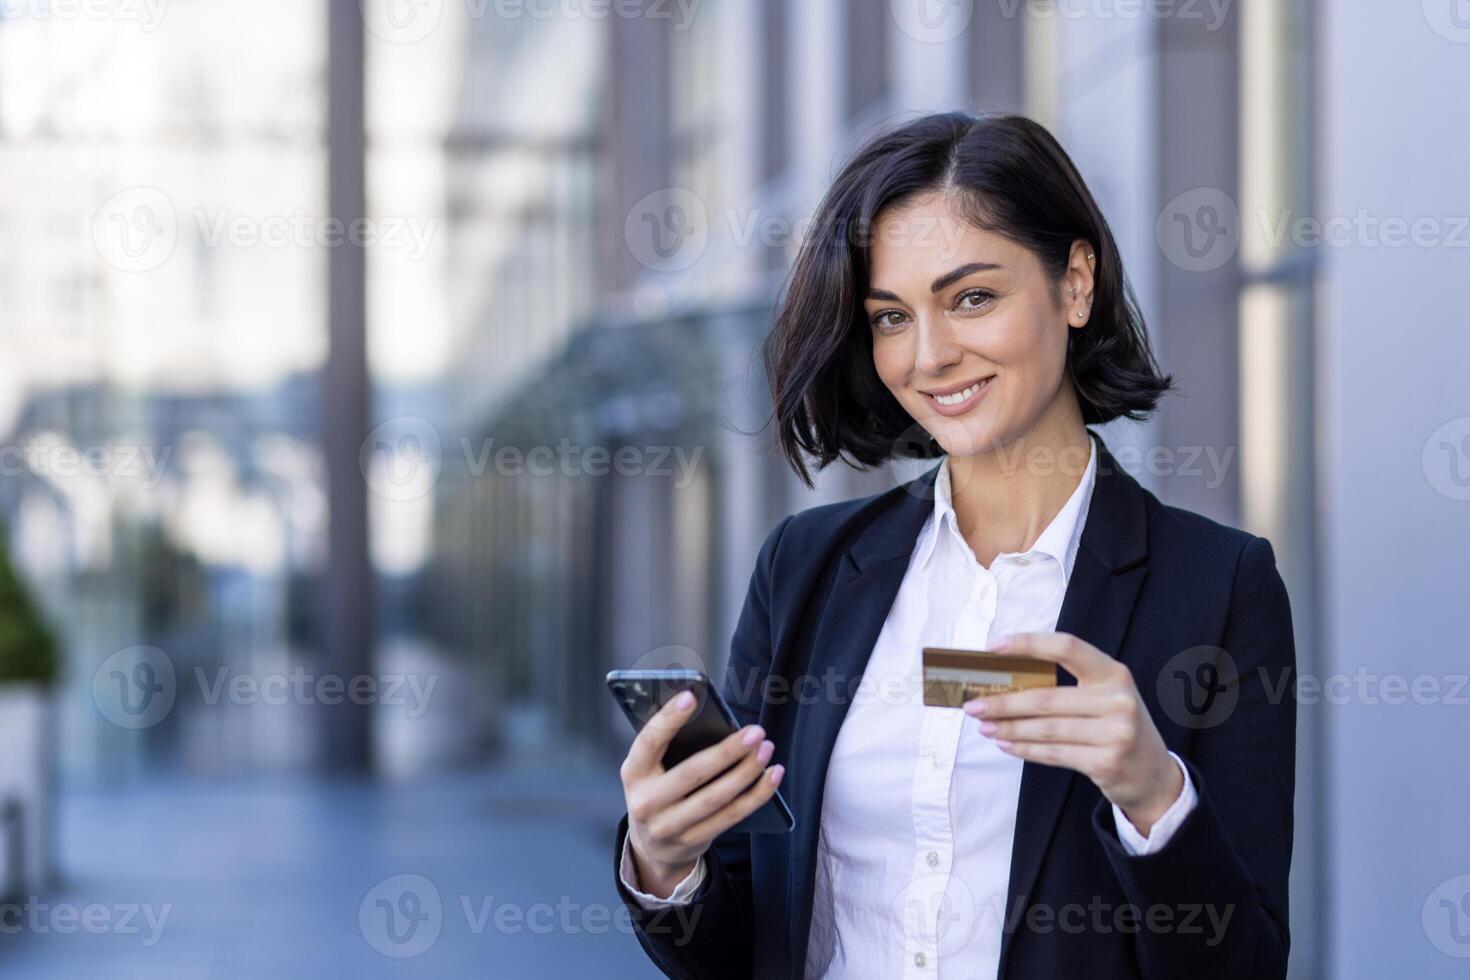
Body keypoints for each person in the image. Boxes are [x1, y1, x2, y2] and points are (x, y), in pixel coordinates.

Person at [611, 112, 1295, 980]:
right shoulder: (806, 567)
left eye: (972, 297)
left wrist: (1153, 796)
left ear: (1075, 284)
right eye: (891, 316)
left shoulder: (1218, 584)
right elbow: (745, 945)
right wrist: (666, 865)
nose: (929, 356)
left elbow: (1245, 965)